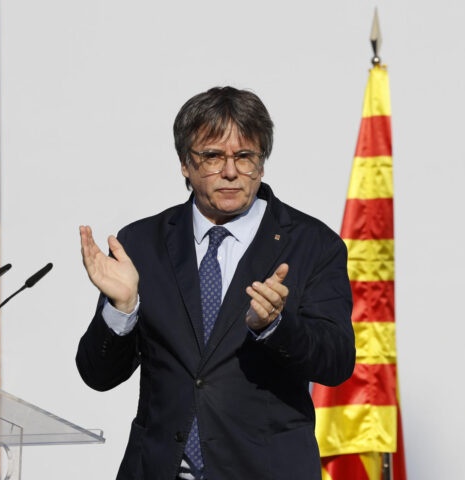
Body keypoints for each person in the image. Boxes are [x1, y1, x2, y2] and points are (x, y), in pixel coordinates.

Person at [76, 86, 355, 480]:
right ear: (185, 164)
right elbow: (97, 375)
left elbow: (338, 362)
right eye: (212, 157)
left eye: (244, 157)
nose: (229, 171)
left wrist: (277, 326)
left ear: (262, 163)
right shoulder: (142, 242)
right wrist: (121, 310)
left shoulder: (312, 243)